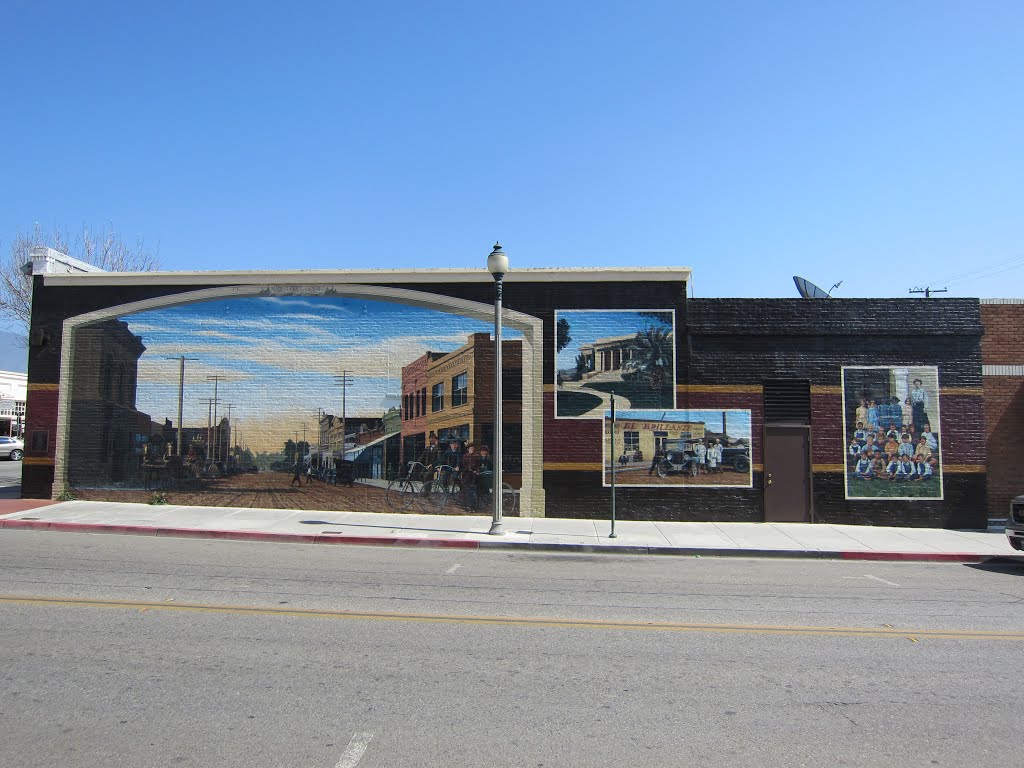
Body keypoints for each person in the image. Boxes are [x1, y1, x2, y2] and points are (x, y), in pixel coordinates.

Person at [461, 443, 482, 508]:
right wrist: (470, 470)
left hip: (474, 475)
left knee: (474, 490)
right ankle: (466, 505)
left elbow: (478, 465)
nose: (472, 449)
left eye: (473, 448)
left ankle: (474, 505)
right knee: (467, 490)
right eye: (471, 448)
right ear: (468, 449)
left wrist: (477, 471)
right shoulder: (465, 456)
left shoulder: (476, 456)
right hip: (467, 475)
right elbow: (464, 465)